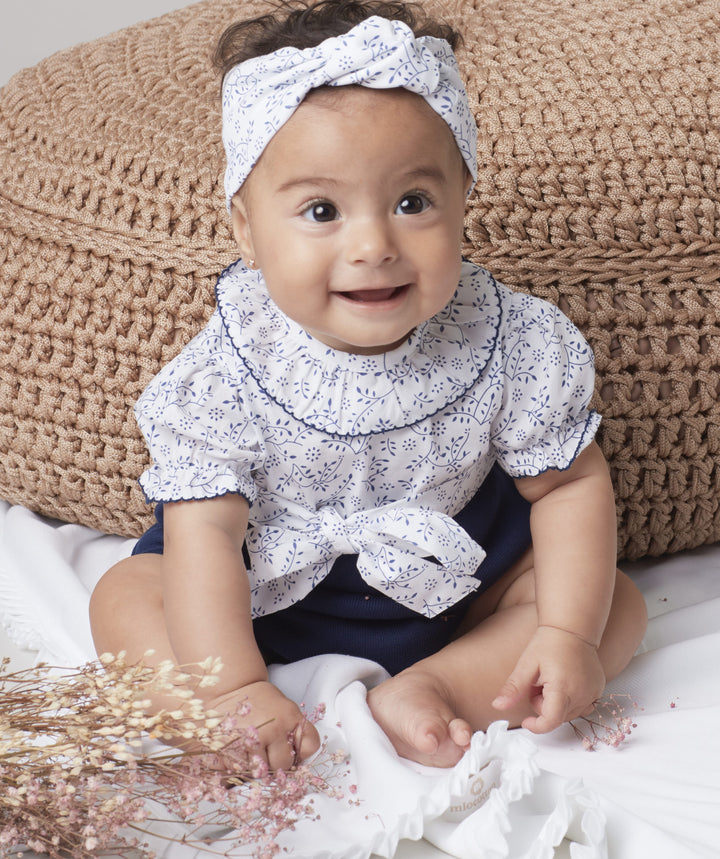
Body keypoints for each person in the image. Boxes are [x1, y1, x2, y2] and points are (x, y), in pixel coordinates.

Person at [89, 0, 648, 771]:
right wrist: (229, 682)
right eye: (321, 210)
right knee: (123, 597)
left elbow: (566, 488)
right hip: (249, 595)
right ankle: (231, 716)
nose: (373, 245)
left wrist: (566, 634)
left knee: (610, 604)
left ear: (464, 200)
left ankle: (441, 687)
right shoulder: (225, 368)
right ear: (247, 231)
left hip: (458, 583)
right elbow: (206, 537)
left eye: (413, 202)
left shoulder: (512, 340)